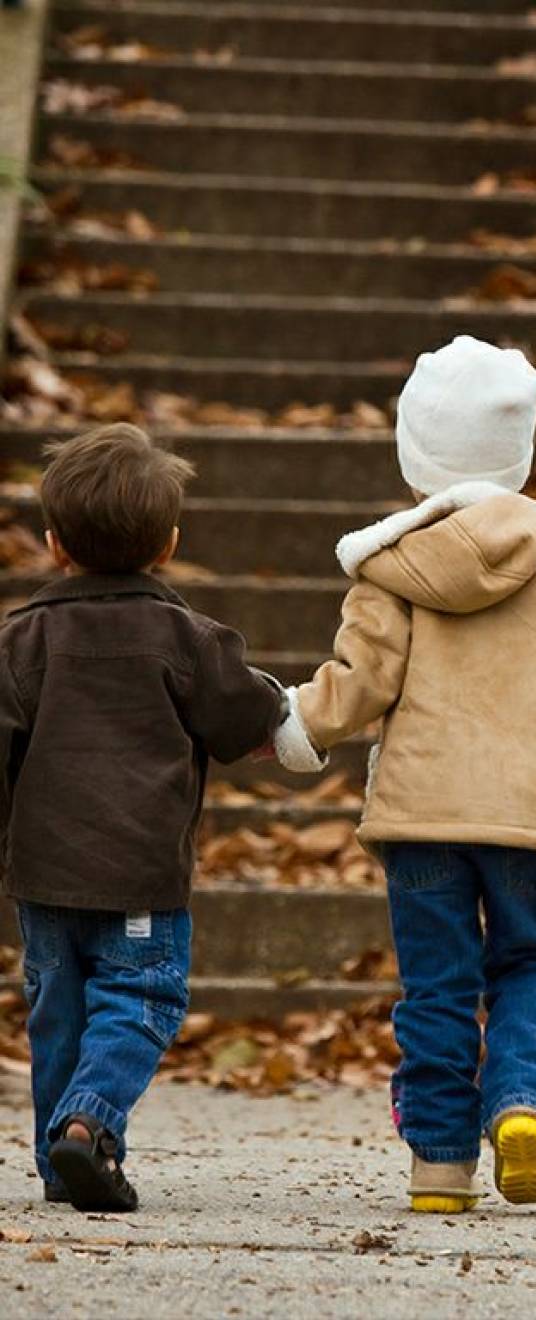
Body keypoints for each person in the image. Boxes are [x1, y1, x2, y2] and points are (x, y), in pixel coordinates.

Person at [273, 336, 536, 1213]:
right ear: (521, 454)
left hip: (421, 818)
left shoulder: (390, 574)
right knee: (530, 964)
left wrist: (294, 725)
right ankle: (520, 1106)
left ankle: (437, 1165)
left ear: (413, 455)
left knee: (438, 984)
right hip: (534, 820)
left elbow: (358, 686)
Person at [0, 424, 284, 1212]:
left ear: (55, 545)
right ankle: (89, 1126)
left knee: (59, 1012)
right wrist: (283, 724)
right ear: (168, 545)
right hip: (141, 877)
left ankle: (61, 1167)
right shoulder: (185, 639)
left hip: (43, 878)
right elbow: (243, 715)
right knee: (141, 1001)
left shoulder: (18, 643)